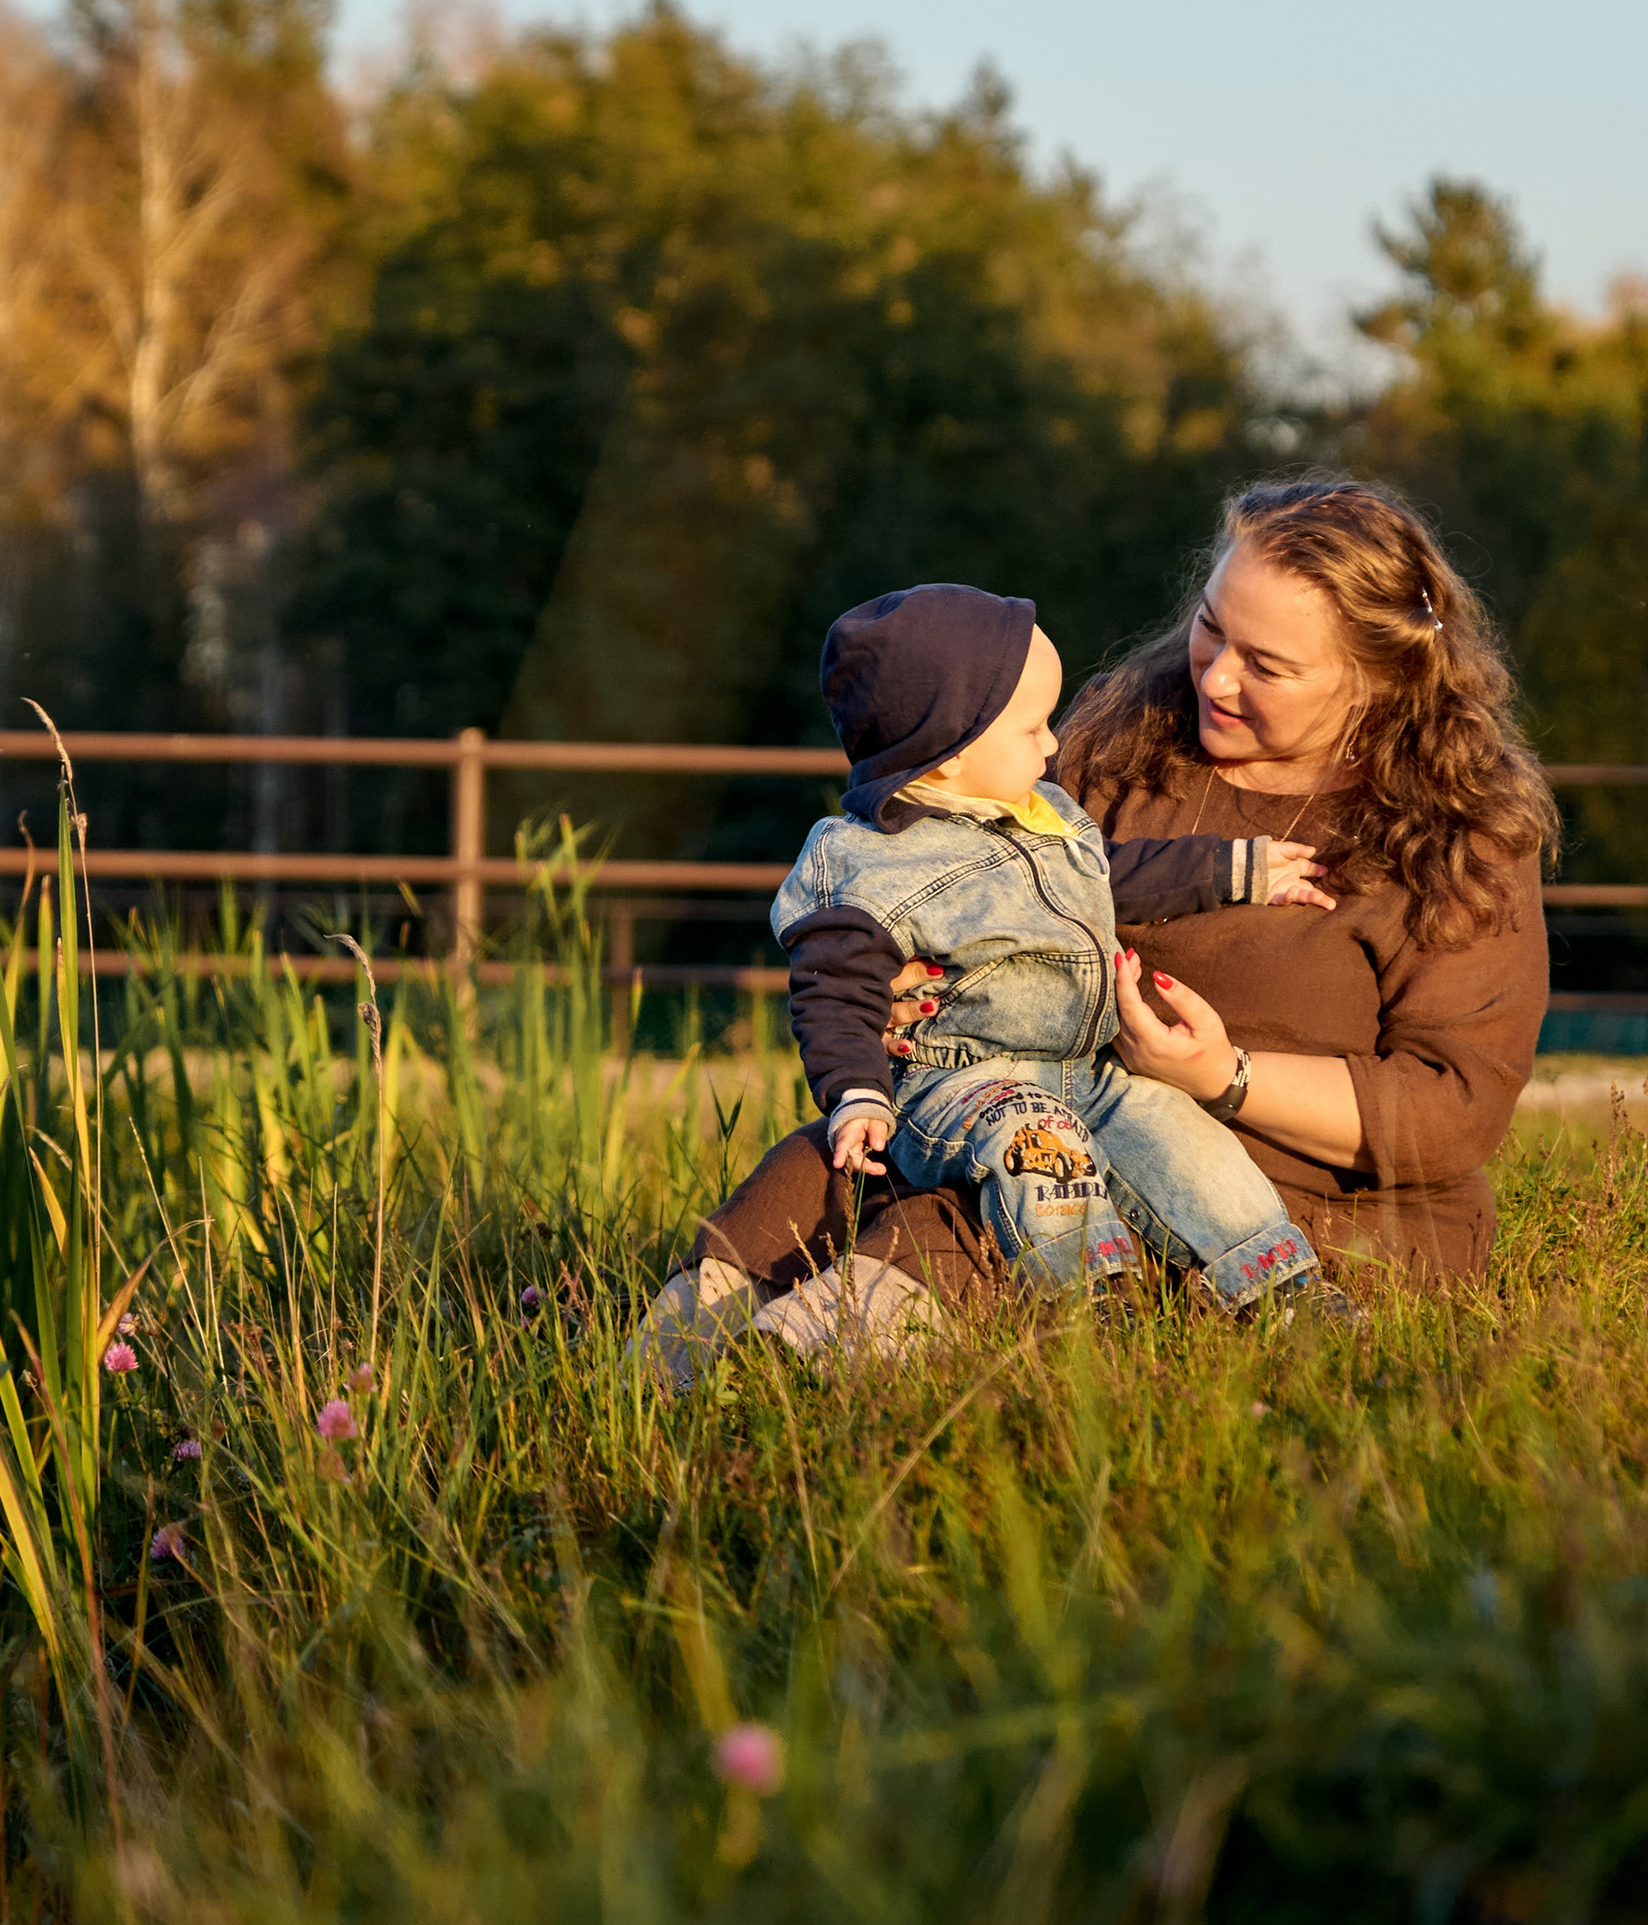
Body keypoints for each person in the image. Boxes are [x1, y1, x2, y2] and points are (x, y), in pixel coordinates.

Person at [642, 480, 1555, 1376]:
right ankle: (665, 1354)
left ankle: (788, 1387)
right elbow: (969, 869)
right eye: (1210, 627)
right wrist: (908, 982)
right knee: (831, 1160)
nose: (1218, 675)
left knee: (975, 1221)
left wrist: (1221, 1077)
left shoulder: (1459, 833)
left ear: (1380, 679)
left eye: (1268, 666)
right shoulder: (1126, 735)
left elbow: (1454, 1105)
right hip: (1041, 1099)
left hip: (1291, 1193)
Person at [775, 581, 1337, 1311]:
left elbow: (1115, 877)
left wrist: (1239, 869)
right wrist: (856, 1093)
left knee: (1175, 1131)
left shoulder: (1041, 816)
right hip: (959, 1084)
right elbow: (833, 990)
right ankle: (1089, 1300)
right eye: (1033, 726)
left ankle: (1277, 1285)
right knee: (1039, 1147)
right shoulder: (869, 861)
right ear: (946, 753)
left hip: (1085, 1068)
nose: (1053, 742)